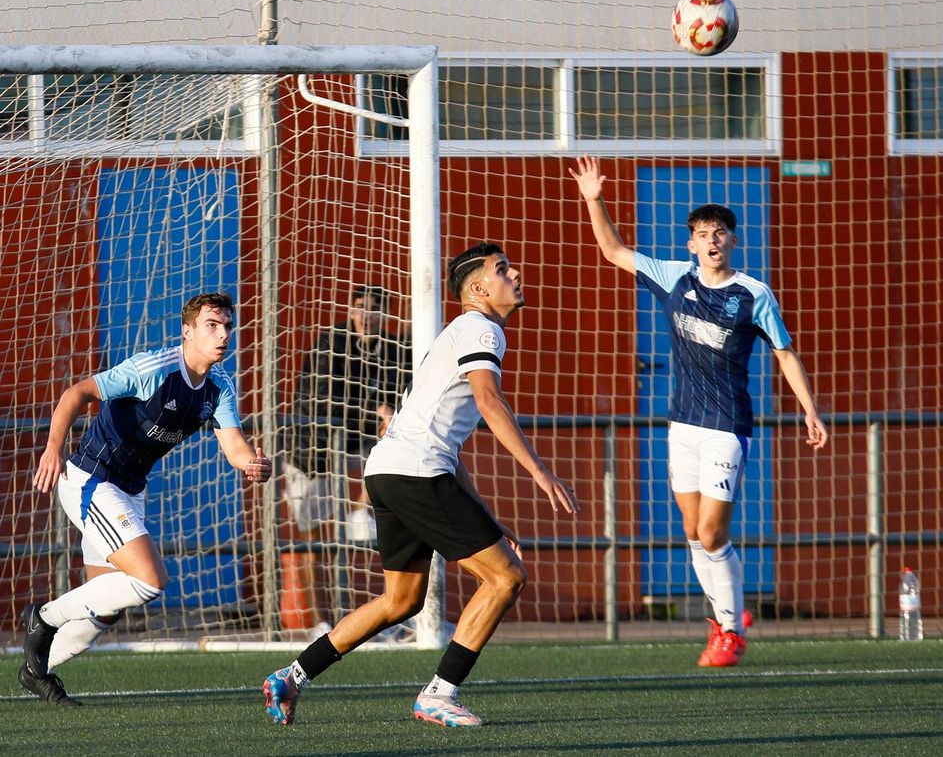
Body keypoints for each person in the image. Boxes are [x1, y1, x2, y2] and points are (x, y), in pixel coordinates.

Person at [262, 243, 579, 727]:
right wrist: (540, 472)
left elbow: (447, 450)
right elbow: (490, 403)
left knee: (401, 600)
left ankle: (292, 675)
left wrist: (489, 517)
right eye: (501, 269)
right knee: (506, 577)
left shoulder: (460, 335)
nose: (514, 273)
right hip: (415, 473)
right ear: (477, 288)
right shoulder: (480, 328)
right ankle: (439, 693)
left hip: (389, 471)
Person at [569, 155, 827, 668]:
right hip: (681, 427)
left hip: (726, 428)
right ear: (690, 243)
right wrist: (594, 199)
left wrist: (809, 410)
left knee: (712, 533)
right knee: (692, 532)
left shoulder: (754, 294)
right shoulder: (672, 278)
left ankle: (729, 629)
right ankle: (726, 611)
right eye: (703, 233)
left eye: (721, 232)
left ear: (734, 241)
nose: (712, 240)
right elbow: (614, 250)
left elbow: (784, 353)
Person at [20, 292, 271, 707]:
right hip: (90, 479)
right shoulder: (151, 368)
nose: (223, 334)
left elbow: (236, 450)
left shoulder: (219, 386)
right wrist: (52, 447)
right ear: (187, 332)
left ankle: (36, 670)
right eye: (212, 325)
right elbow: (76, 393)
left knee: (106, 609)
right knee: (151, 581)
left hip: (128, 490)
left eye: (227, 325)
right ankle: (42, 618)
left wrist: (255, 465)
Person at [284, 285, 409, 630]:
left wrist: (390, 412)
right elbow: (323, 400)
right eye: (359, 307)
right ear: (350, 310)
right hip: (312, 449)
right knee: (313, 538)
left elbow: (408, 393)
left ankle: (391, 613)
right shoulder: (330, 343)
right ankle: (318, 622)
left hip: (360, 444)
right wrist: (377, 409)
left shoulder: (396, 350)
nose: (364, 315)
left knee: (400, 448)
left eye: (373, 309)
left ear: (384, 315)